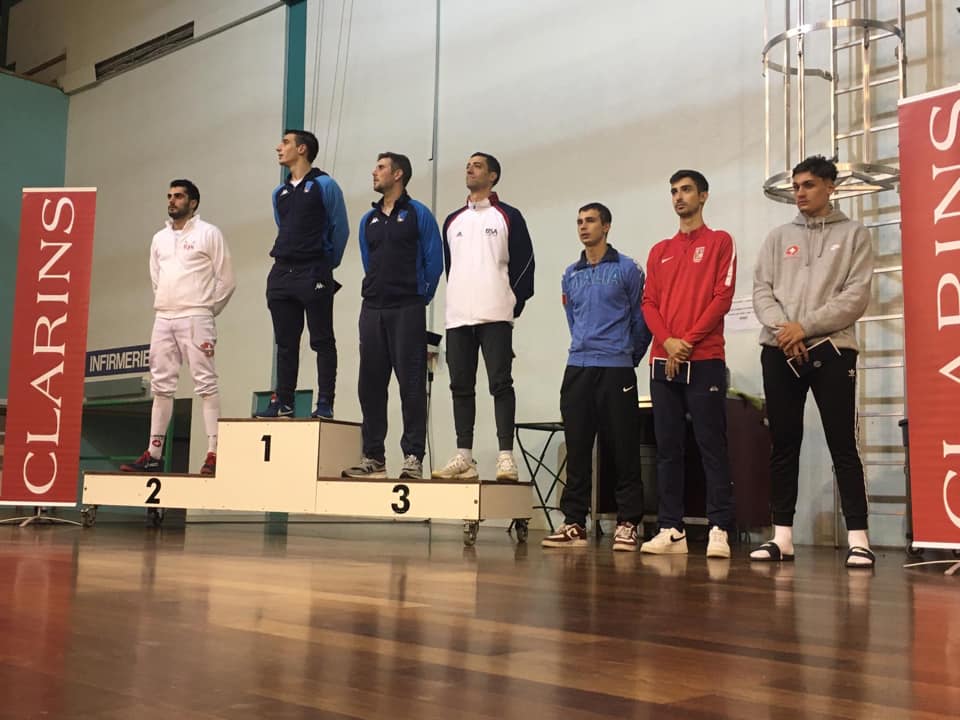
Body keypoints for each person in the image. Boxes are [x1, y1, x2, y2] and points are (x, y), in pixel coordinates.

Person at [751, 155, 875, 568]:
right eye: (796, 186)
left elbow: (855, 297)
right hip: (779, 350)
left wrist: (804, 327)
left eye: (808, 185)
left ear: (830, 187)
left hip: (832, 349)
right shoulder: (778, 237)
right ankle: (782, 537)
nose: (799, 193)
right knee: (783, 443)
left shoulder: (854, 234)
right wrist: (784, 330)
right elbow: (762, 290)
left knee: (843, 443)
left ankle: (859, 538)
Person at [540, 203, 651, 549]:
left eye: (590, 221)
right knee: (576, 448)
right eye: (579, 221)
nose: (583, 227)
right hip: (578, 368)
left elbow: (642, 321)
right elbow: (573, 320)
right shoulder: (570, 274)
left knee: (623, 448)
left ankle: (628, 522)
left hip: (617, 368)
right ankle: (574, 521)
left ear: (606, 226)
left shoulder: (628, 269)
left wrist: (626, 357)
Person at [640, 169, 737, 559]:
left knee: (711, 445)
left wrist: (687, 342)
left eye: (686, 190)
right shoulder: (659, 250)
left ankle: (719, 527)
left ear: (703, 196)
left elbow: (722, 298)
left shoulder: (720, 241)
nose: (679, 197)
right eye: (674, 191)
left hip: (705, 359)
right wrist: (668, 343)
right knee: (667, 448)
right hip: (663, 360)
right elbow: (649, 303)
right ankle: (670, 528)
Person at [432, 153, 535, 481]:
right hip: (458, 318)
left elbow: (525, 264)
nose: (469, 168)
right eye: (468, 165)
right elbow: (451, 267)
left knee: (500, 384)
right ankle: (464, 455)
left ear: (492, 176)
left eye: (477, 165)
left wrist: (511, 304)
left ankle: (506, 457)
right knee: (460, 386)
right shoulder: (453, 221)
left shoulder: (508, 216)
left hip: (496, 315)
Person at [121, 179, 235, 475]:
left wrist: (205, 310)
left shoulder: (209, 233)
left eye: (179, 196)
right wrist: (168, 304)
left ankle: (214, 453)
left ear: (193, 202)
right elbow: (156, 278)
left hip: (196, 317)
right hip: (163, 317)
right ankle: (154, 454)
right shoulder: (159, 238)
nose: (172, 200)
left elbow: (226, 280)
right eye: (170, 196)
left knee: (205, 384)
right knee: (161, 386)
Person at [342, 153, 443, 479]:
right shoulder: (368, 220)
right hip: (372, 309)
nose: (374, 172)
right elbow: (368, 260)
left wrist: (419, 296)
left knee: (411, 385)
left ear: (398, 174)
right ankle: (374, 457)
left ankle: (413, 457)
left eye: (381, 167)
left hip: (407, 309)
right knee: (370, 385)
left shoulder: (418, 214)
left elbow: (434, 261)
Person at [255, 129, 349, 419]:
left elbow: (340, 229)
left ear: (302, 149)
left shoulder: (325, 185)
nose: (279, 147)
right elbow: (283, 226)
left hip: (314, 269)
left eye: (285, 142)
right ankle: (283, 401)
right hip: (282, 272)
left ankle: (325, 403)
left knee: (322, 339)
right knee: (285, 342)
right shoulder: (279, 193)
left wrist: (326, 264)